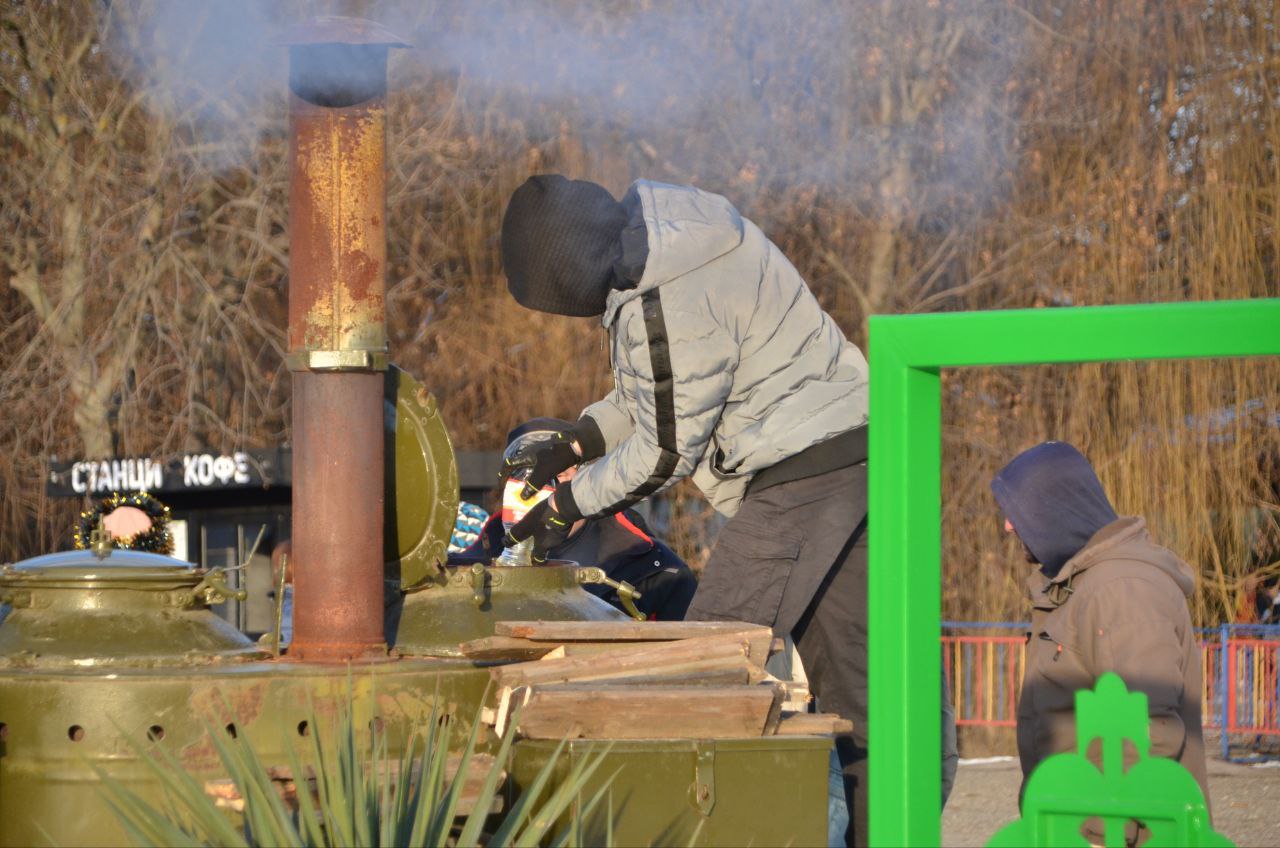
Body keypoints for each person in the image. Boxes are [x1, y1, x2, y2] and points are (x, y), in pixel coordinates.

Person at [499, 175, 870, 845]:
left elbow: (665, 450)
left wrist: (566, 505)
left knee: (704, 673)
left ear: (569, 278)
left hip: (802, 473)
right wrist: (577, 441)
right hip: (851, 451)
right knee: (858, 690)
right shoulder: (663, 242)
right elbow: (655, 392)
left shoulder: (662, 298)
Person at [991, 440, 1211, 839]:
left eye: (1018, 509)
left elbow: (1146, 732)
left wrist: (1100, 834)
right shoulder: (1082, 584)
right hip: (1071, 827)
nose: (1008, 525)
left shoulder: (1122, 589)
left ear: (1055, 507)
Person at [459, 418, 697, 621]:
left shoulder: (659, 575)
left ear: (586, 479)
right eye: (521, 477)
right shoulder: (465, 567)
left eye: (558, 475)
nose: (535, 489)